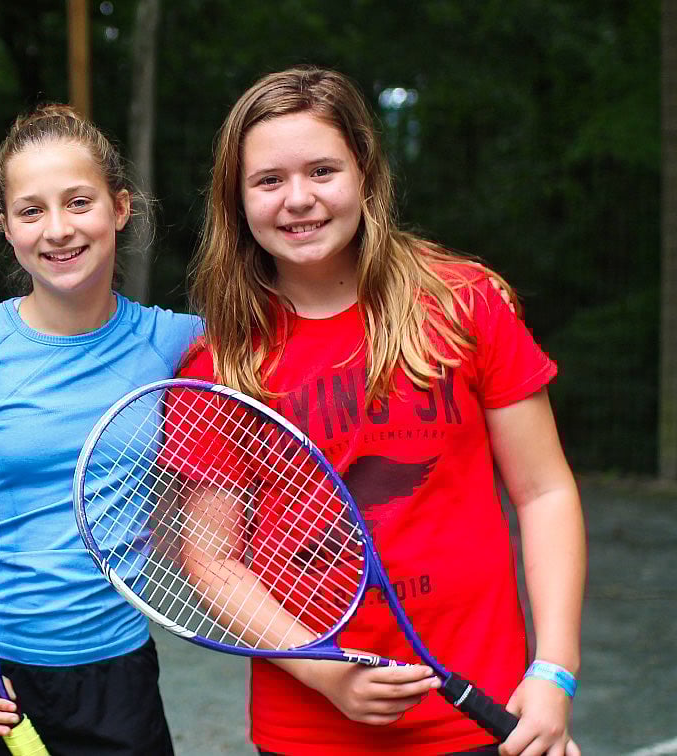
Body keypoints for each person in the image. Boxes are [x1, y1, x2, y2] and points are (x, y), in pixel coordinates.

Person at [178, 66, 586, 756]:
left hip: (487, 707)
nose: (299, 199)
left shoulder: (466, 304)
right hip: (308, 727)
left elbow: (544, 493)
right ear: (236, 199)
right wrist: (322, 670)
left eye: (323, 171)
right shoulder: (219, 364)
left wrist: (554, 672)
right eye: (269, 180)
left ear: (365, 174)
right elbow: (212, 561)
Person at [0, 104, 201, 756]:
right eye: (32, 210)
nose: (59, 229)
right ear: (7, 227)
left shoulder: (174, 342)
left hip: (114, 678)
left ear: (120, 208)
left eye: (78, 202)